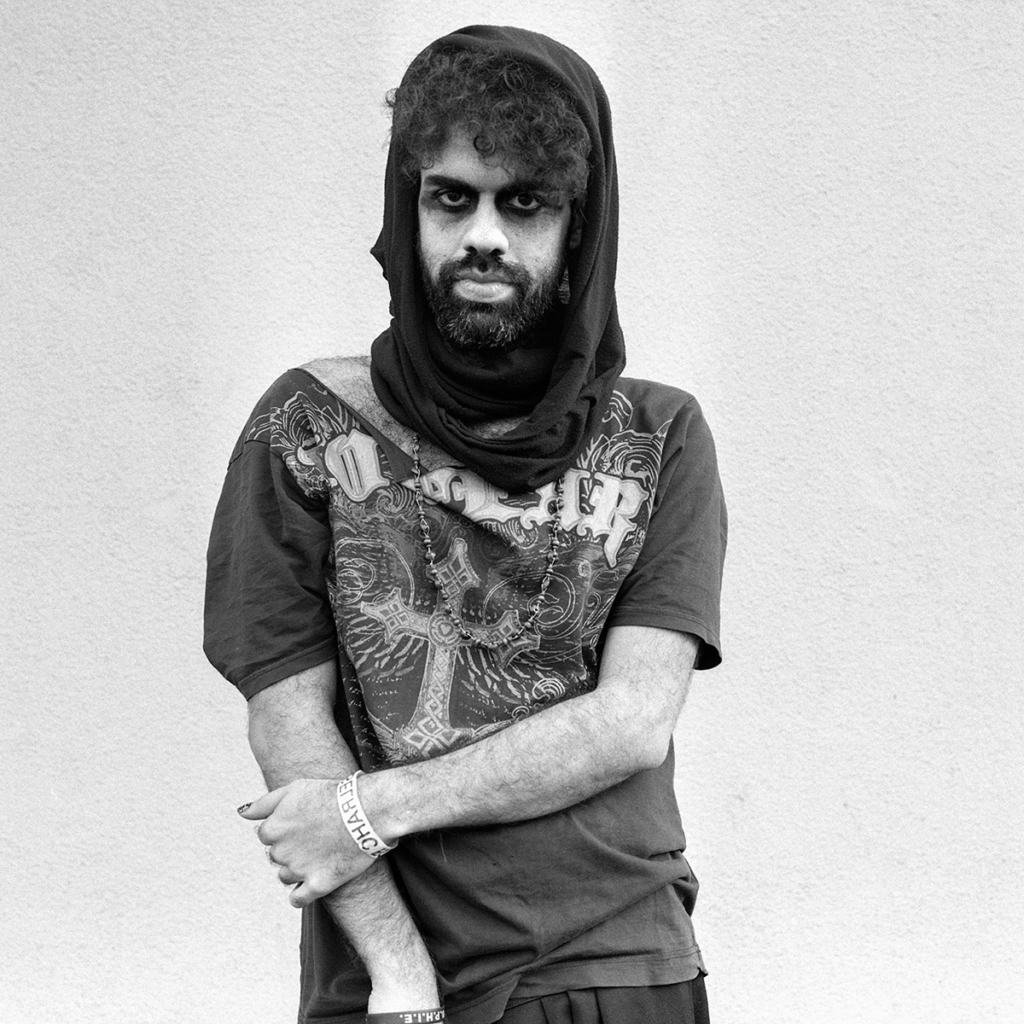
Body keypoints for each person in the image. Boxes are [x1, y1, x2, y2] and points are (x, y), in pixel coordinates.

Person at [205, 24, 726, 1024]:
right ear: (408, 211)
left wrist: (367, 810)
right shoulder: (310, 423)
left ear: (579, 230)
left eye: (524, 202)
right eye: (451, 197)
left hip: (613, 960)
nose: (483, 233)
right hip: (388, 971)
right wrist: (399, 974)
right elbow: (286, 716)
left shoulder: (658, 437)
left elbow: (632, 720)